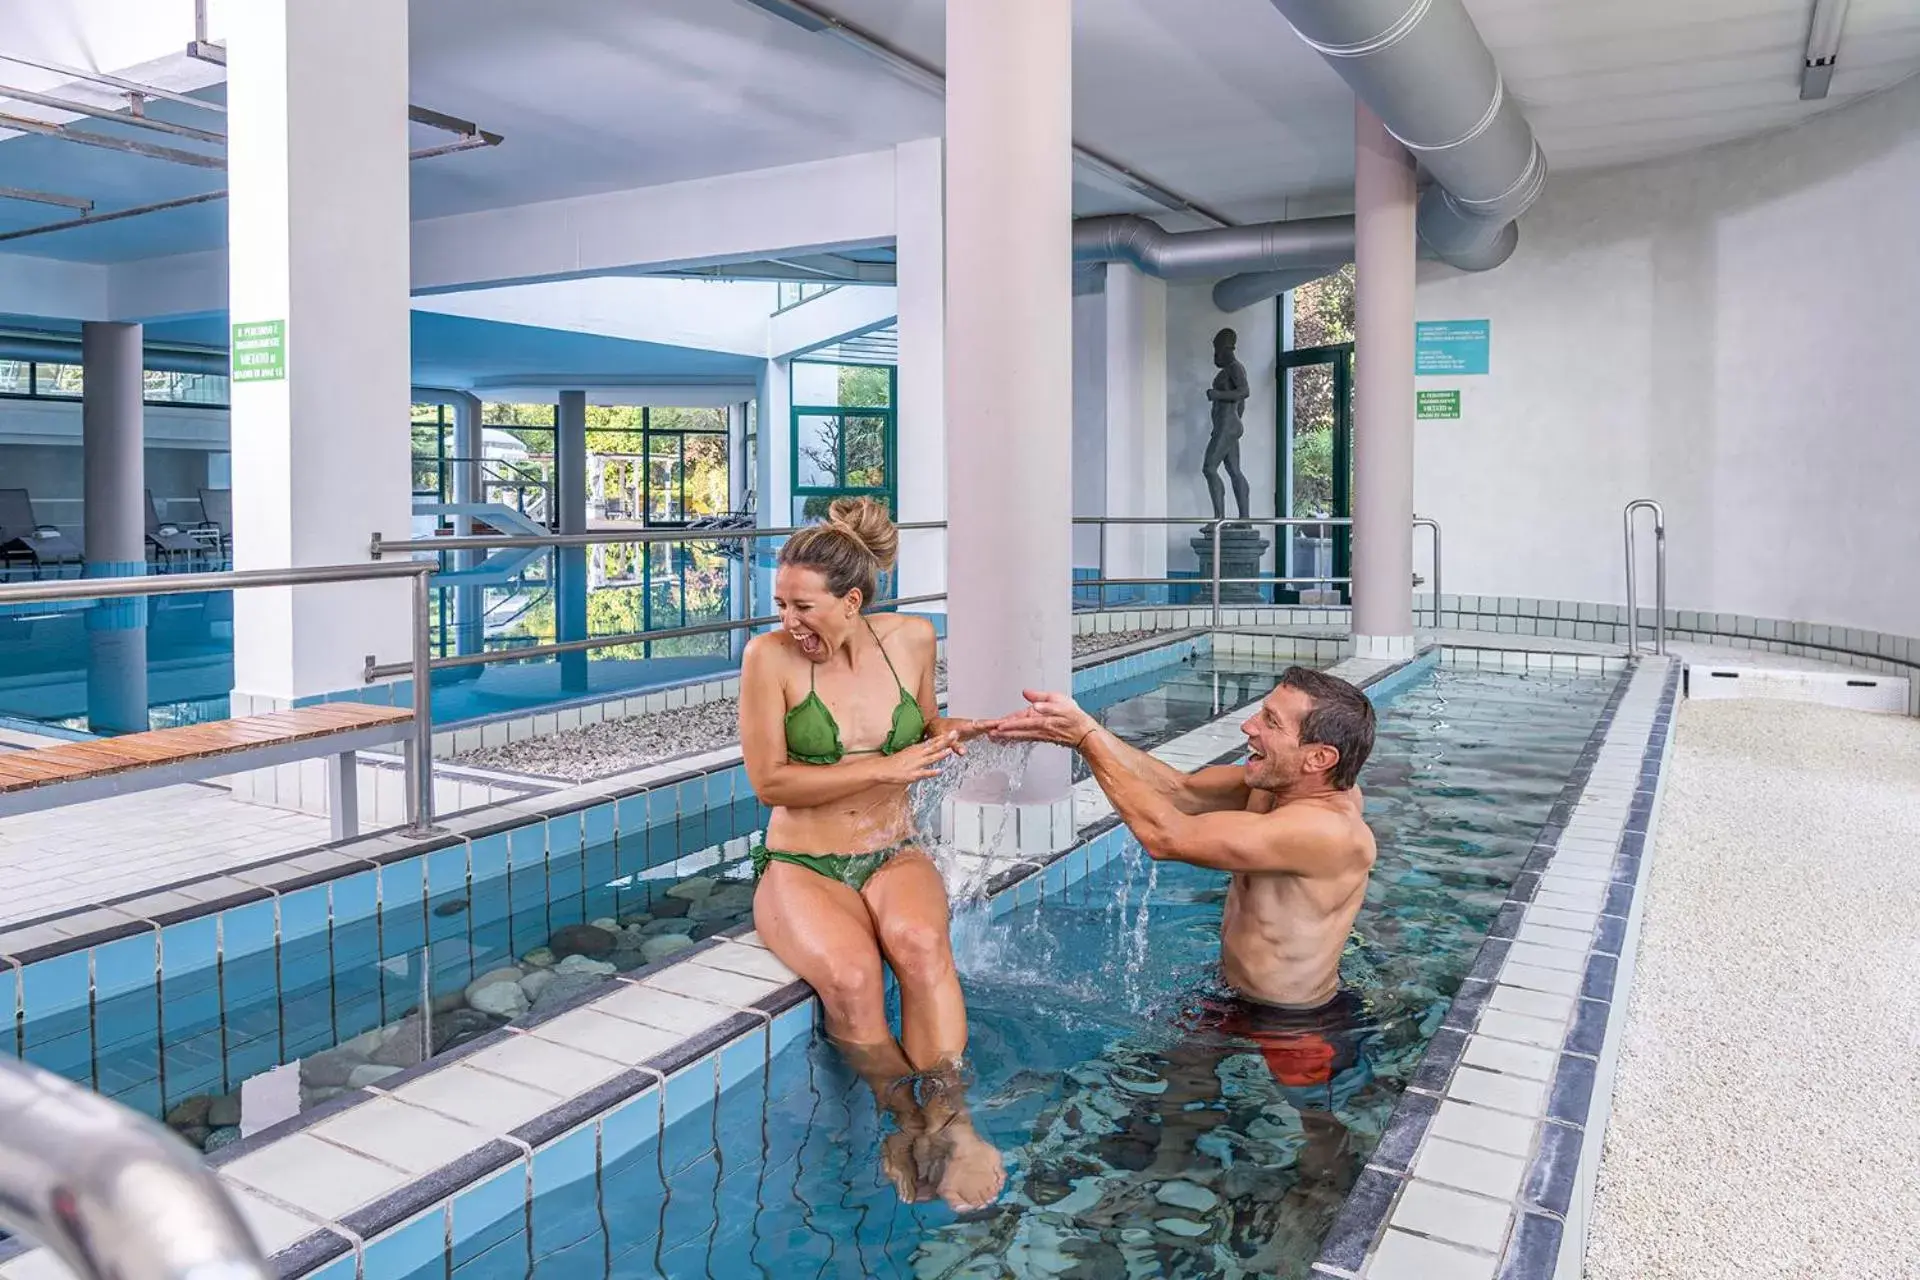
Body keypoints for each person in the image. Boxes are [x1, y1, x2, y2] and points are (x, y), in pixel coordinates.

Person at [738, 497, 1006, 1212]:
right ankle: (908, 1121)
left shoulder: (913, 639)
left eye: (803, 606)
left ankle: (954, 1120)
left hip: (891, 849)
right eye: (780, 604)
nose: (787, 622)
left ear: (852, 601)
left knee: (920, 944)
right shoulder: (768, 659)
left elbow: (919, 728)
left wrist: (954, 731)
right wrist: (885, 771)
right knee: (854, 981)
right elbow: (769, 781)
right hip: (804, 863)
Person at [991, 664, 1379, 1045]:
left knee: (1306, 1111)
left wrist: (1084, 741)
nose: (1249, 726)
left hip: (1294, 1023)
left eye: (1271, 722)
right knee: (1177, 1097)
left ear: (1319, 759)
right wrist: (1083, 724)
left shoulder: (1327, 831)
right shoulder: (1281, 784)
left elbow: (1165, 836)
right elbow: (1179, 790)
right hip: (1230, 993)